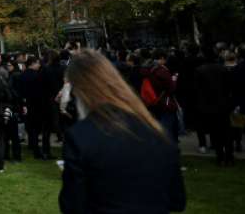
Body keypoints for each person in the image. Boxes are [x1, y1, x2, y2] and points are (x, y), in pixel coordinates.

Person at [59, 50, 186, 213]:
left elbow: (72, 206)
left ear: (80, 90)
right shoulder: (155, 129)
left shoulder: (80, 137)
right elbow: (176, 200)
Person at [21, 55, 50, 160]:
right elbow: (41, 91)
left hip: (27, 103)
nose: (39, 65)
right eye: (37, 63)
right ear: (32, 63)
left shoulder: (23, 75)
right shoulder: (37, 76)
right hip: (36, 104)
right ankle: (36, 149)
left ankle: (32, 145)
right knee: (36, 127)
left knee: (30, 126)